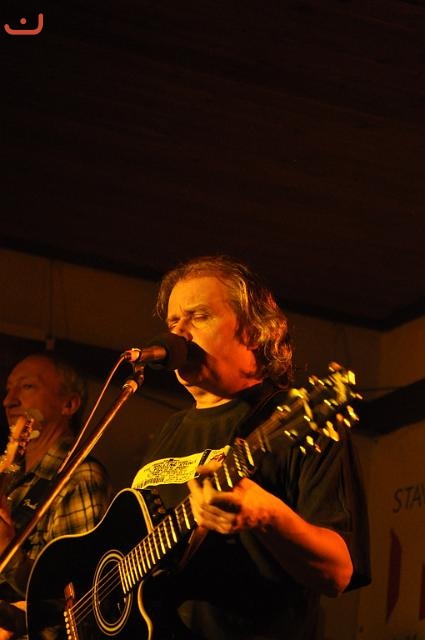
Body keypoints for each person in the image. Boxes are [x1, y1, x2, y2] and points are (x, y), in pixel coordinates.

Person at [131, 255, 371, 640]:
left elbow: (338, 571)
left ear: (258, 332)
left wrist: (265, 514)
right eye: (173, 322)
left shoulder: (293, 417)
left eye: (199, 316)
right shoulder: (170, 430)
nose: (178, 334)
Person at [0, 352, 113, 640]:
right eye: (8, 389)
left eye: (27, 386)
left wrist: (6, 548)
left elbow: (77, 599)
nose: (8, 400)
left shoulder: (80, 477)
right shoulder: (14, 483)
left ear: (69, 404)